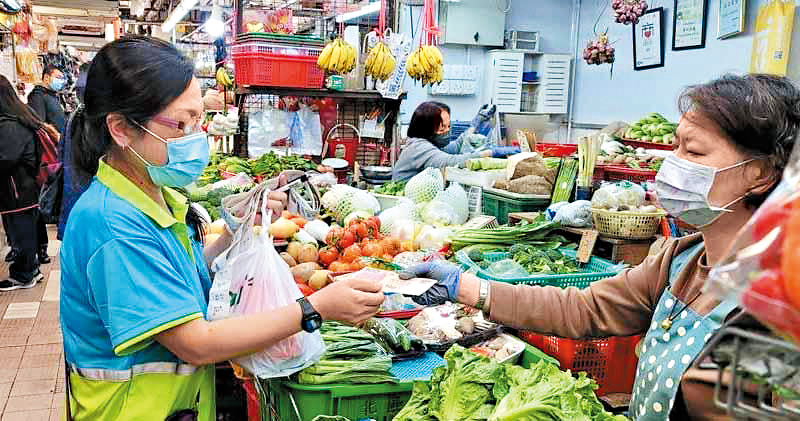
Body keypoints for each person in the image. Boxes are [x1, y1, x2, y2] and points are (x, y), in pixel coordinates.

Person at [405, 74, 799, 420]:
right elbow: (585, 309)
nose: (671, 164)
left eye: (693, 152)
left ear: (760, 174)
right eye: (675, 146)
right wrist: (467, 287)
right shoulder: (680, 262)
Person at [60, 36, 384, 421]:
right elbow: (196, 344)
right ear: (121, 129)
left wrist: (236, 231)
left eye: (199, 120)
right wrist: (315, 308)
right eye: (181, 124)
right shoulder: (113, 224)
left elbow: (178, 278)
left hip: (172, 407)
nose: (197, 137)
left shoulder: (154, 196)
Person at [0, 75, 47, 290]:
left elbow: (6, 158)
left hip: (17, 189)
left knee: (21, 232)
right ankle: (31, 270)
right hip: (24, 187)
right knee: (26, 230)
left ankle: (24, 274)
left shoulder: (10, 124)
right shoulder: (19, 116)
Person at [392, 102, 519, 181]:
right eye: (442, 128)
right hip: (405, 201)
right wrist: (490, 153)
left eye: (449, 126)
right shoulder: (419, 147)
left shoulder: (429, 143)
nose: (447, 131)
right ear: (426, 128)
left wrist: (475, 124)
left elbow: (456, 146)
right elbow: (452, 161)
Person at [26, 65, 66, 264]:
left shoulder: (52, 95)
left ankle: (42, 245)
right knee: (46, 193)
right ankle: (39, 249)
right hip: (49, 155)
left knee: (53, 191)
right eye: (58, 76)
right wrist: (58, 137)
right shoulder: (38, 96)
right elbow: (39, 123)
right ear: (46, 76)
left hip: (58, 153)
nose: (62, 80)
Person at [57, 62, 90, 241]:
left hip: (73, 191)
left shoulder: (75, 115)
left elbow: (60, 154)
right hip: (88, 195)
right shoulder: (94, 119)